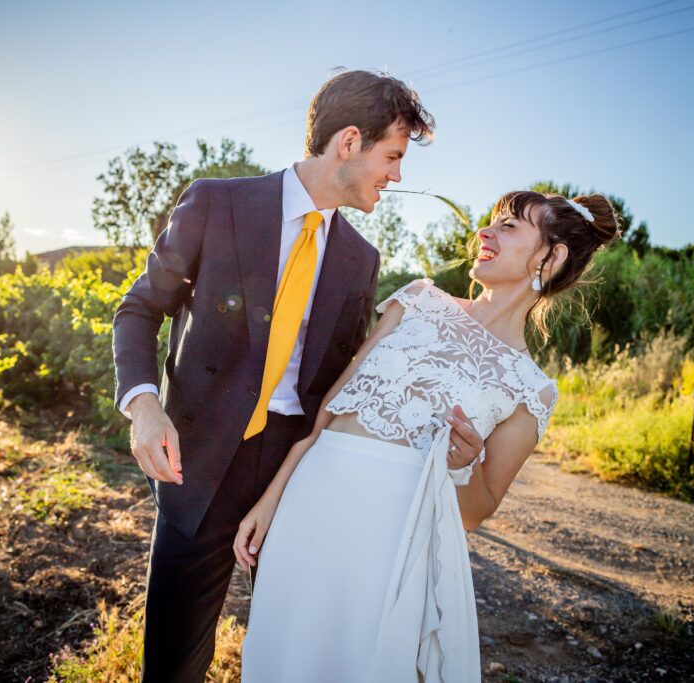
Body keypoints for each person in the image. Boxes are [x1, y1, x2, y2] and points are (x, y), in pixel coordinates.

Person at [111, 69, 443, 682]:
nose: (395, 176)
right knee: (175, 659)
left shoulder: (361, 258)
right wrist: (143, 405)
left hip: (297, 473)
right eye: (392, 156)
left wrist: (434, 429)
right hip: (200, 459)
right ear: (348, 142)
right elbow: (138, 308)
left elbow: (348, 378)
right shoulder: (217, 203)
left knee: (295, 649)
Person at [235, 190, 621, 682]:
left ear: (551, 255)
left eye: (509, 227)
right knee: (281, 656)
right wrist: (270, 501)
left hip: (394, 542)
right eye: (490, 222)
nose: (485, 232)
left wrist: (467, 465)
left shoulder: (532, 390)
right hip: (310, 505)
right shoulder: (417, 300)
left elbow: (478, 512)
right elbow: (327, 413)